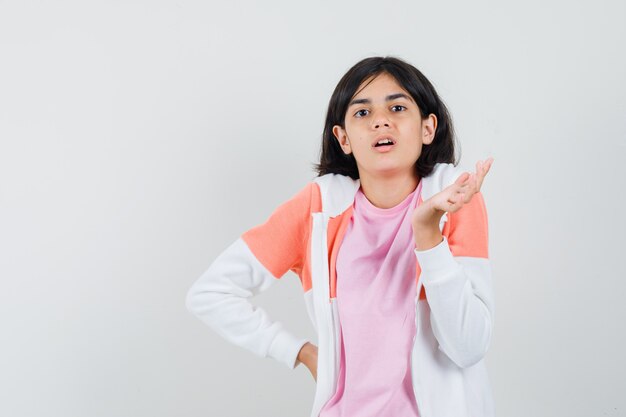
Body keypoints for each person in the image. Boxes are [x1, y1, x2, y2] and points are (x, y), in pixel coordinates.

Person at [186, 56, 495, 417]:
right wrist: (300, 352)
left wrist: (428, 233)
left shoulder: (454, 197)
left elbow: (468, 347)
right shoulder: (318, 208)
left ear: (428, 128)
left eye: (398, 107)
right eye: (362, 113)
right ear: (343, 138)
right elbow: (210, 293)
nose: (381, 120)